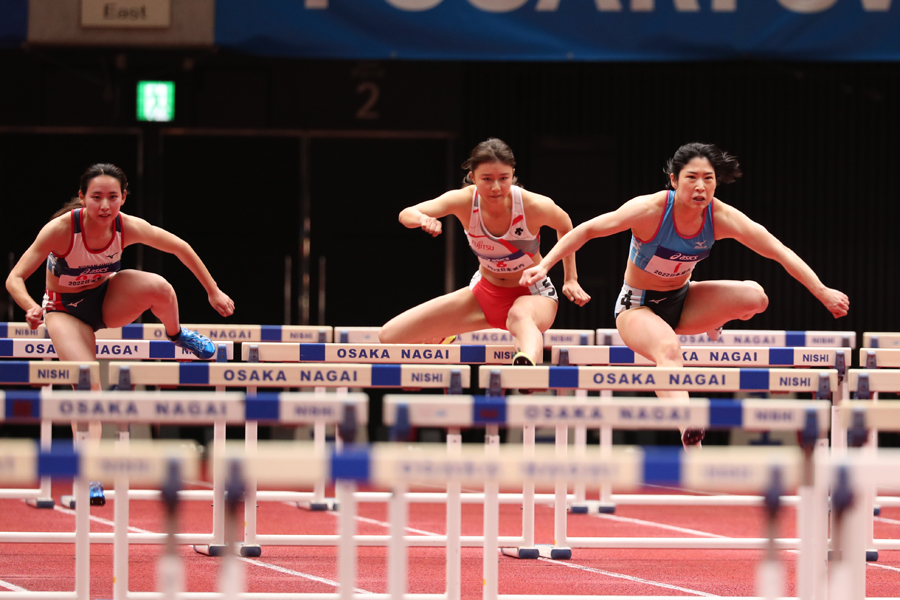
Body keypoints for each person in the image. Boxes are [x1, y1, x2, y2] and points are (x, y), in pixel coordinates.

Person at [520, 142, 849, 447]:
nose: (701, 187)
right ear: (674, 180)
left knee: (756, 297)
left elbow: (778, 251)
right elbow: (588, 230)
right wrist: (546, 266)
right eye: (692, 178)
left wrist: (821, 291)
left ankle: (715, 321)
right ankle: (686, 423)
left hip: (683, 300)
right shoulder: (649, 210)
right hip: (639, 307)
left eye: (709, 179)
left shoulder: (721, 217)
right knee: (668, 348)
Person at [6, 163, 235, 502]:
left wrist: (213, 290)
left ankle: (175, 335)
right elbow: (14, 278)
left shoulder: (126, 227)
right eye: (96, 197)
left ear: (124, 198)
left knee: (160, 288)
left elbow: (180, 247)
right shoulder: (60, 230)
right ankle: (90, 473)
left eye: (113, 197)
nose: (104, 206)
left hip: (106, 299)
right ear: (82, 197)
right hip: (64, 310)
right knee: (88, 385)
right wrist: (29, 307)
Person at [379, 138, 590, 368]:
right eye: (487, 179)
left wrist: (571, 278)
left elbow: (566, 227)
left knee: (520, 315)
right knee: (390, 336)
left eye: (503, 178)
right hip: (483, 294)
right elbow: (406, 214)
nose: (496, 187)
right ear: (472, 176)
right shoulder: (463, 201)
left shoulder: (533, 205)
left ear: (512, 173)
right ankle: (447, 333)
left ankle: (525, 365)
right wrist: (423, 219)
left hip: (532, 295)